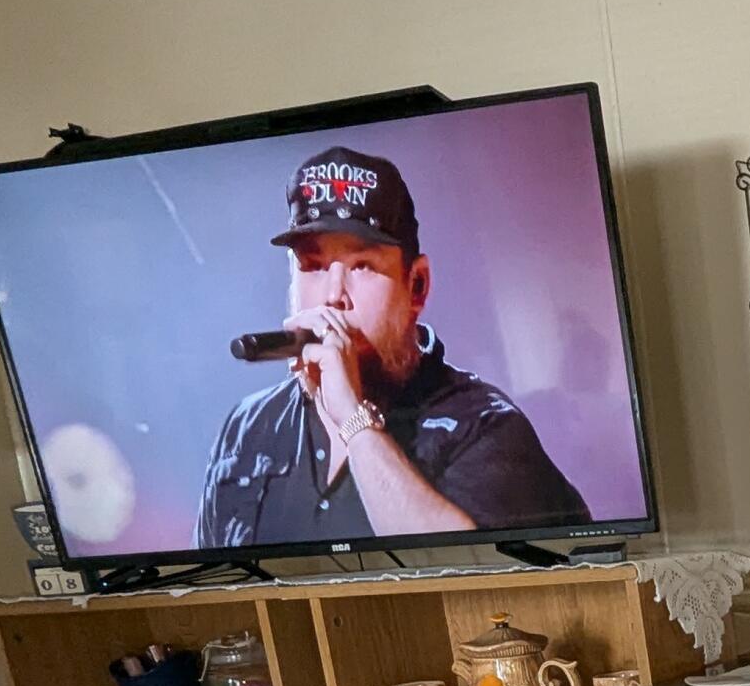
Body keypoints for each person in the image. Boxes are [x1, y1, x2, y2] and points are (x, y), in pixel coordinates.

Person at [196, 146, 586, 547]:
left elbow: (472, 574)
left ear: (416, 286)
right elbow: (215, 584)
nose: (333, 296)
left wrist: (351, 416)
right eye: (311, 266)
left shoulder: (484, 428)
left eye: (362, 267)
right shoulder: (249, 427)